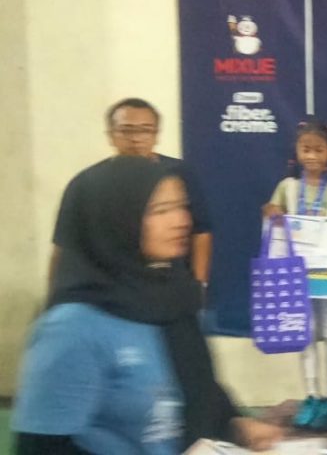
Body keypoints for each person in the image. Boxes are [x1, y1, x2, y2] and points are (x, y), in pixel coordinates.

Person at [13, 157, 282, 454]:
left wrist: (235, 423)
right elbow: (40, 448)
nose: (182, 221)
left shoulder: (171, 295)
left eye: (183, 206)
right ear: (114, 219)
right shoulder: (71, 328)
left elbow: (195, 385)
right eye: (160, 210)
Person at [262, 118, 327, 432]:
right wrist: (270, 211)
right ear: (296, 151)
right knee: (305, 333)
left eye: (318, 150)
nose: (311, 156)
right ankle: (311, 395)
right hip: (298, 274)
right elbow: (272, 216)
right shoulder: (287, 187)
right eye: (305, 149)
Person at [48, 98, 214, 292]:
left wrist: (199, 286)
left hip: (168, 283)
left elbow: (201, 233)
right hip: (108, 287)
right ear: (111, 135)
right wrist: (54, 295)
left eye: (145, 130)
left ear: (156, 135)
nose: (136, 139)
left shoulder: (178, 175)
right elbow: (63, 245)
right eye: (126, 130)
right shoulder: (86, 183)